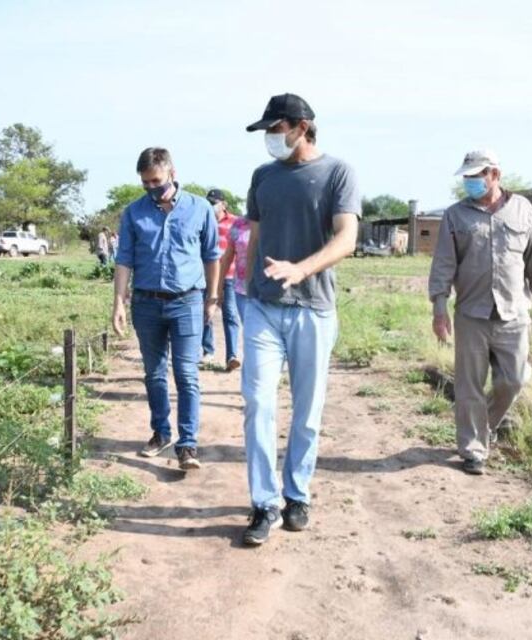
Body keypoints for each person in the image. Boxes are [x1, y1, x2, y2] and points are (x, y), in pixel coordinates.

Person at [240, 93, 361, 545]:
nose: (270, 139)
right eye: (268, 131)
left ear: (301, 126)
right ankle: (263, 503)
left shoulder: (337, 172)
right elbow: (254, 238)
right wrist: (245, 287)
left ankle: (297, 494)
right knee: (258, 403)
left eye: (275, 129)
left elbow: (347, 238)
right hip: (263, 308)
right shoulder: (263, 177)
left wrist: (302, 268)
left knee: (306, 413)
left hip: (313, 308)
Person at [428, 150, 532, 476]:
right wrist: (439, 308)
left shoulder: (523, 209)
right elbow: (443, 263)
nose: (470, 182)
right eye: (466, 177)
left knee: (513, 379)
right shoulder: (455, 216)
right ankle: (473, 450)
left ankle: (485, 427)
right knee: (469, 386)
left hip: (514, 313)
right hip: (471, 313)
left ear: (494, 174)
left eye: (476, 176)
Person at [112, 147, 220, 471]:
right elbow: (124, 260)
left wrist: (211, 298)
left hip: (187, 301)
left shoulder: (200, 208)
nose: (150, 188)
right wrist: (118, 301)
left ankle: (187, 445)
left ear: (172, 173)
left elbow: (212, 255)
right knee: (154, 374)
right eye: (145, 183)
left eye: (155, 181)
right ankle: (161, 432)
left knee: (186, 373)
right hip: (146, 303)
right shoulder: (134, 213)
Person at [201, 189, 242, 371]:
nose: (211, 206)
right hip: (206, 276)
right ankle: (207, 350)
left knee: (231, 315)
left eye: (214, 203)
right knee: (205, 314)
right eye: (209, 203)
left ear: (223, 204)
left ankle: (231, 355)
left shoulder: (235, 222)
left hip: (229, 276)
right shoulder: (202, 221)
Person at [218, 214, 252, 323]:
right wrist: (218, 287)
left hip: (268, 291)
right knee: (249, 329)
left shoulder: (275, 220)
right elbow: (227, 257)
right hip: (242, 289)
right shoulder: (239, 223)